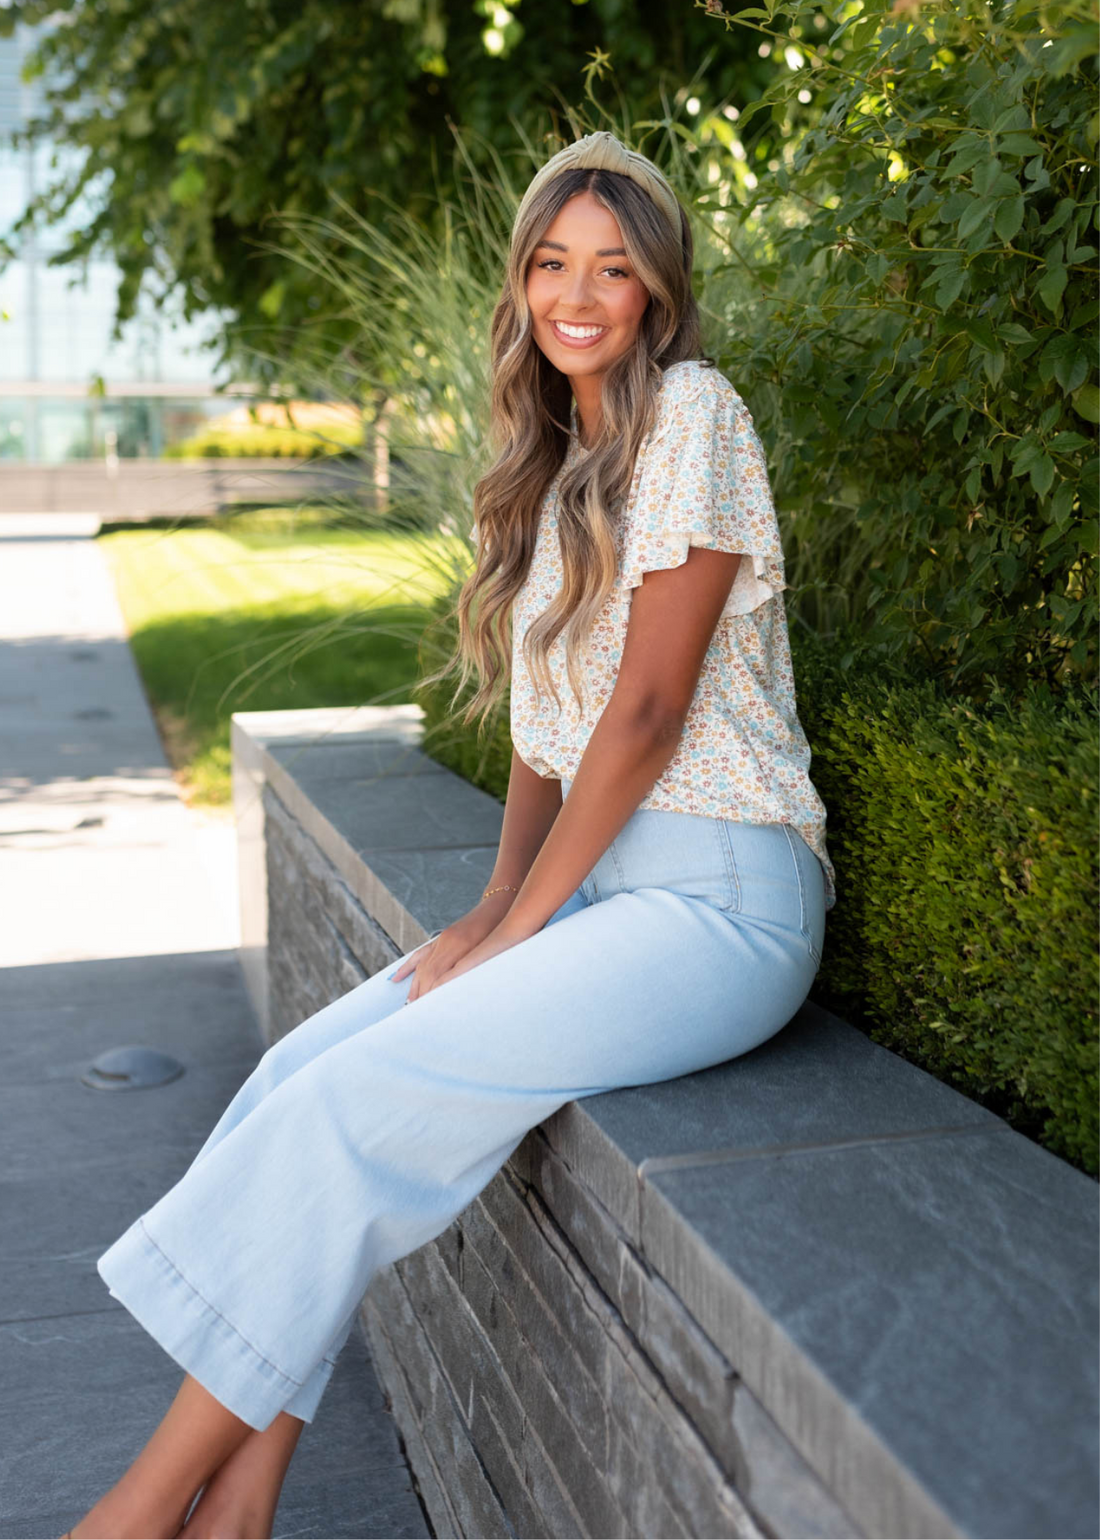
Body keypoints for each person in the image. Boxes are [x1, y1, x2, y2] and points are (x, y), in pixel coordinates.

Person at [68, 129, 836, 1539]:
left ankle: (132, 1516)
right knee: (307, 1071)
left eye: (613, 266)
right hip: (606, 899)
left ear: (659, 290)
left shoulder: (698, 417)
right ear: (524, 288)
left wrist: (527, 925)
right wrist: (491, 911)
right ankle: (240, 1509)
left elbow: (649, 713)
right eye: (552, 264)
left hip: (724, 899)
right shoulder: (556, 466)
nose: (579, 294)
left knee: (354, 1111)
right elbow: (550, 742)